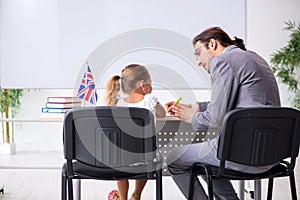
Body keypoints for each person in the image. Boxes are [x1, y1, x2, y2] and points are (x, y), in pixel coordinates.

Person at [165, 27, 281, 200]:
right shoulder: (254, 57)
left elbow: (215, 119)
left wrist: (191, 117)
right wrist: (196, 107)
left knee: (174, 158)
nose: (198, 62)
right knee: (205, 157)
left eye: (198, 53)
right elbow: (242, 100)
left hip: (243, 154)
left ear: (212, 44)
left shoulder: (223, 61)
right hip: (272, 154)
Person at [105, 64, 166, 200]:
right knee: (146, 156)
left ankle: (122, 197)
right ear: (142, 84)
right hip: (145, 157)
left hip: (119, 159)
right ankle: (136, 195)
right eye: (150, 83)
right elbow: (162, 114)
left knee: (120, 162)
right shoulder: (149, 99)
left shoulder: (117, 103)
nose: (152, 87)